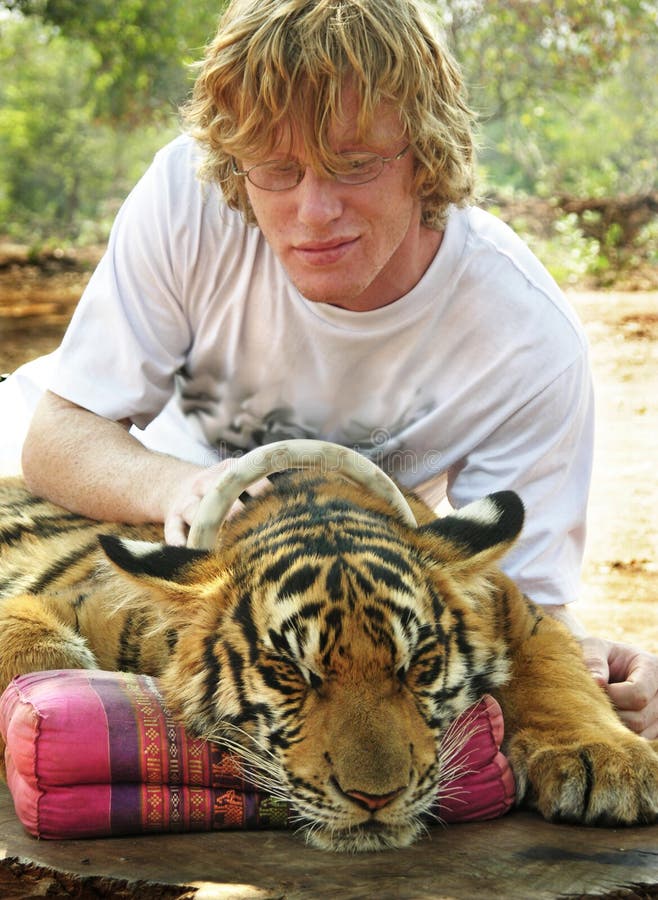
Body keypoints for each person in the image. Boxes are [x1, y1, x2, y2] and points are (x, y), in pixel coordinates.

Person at [6, 0, 657, 736]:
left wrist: (587, 670)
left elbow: (518, 609)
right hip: (74, 517)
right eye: (278, 171)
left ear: (428, 153)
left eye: (353, 165)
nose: (313, 211)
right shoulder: (190, 198)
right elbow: (56, 436)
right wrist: (182, 488)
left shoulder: (526, 341)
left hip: (308, 625)